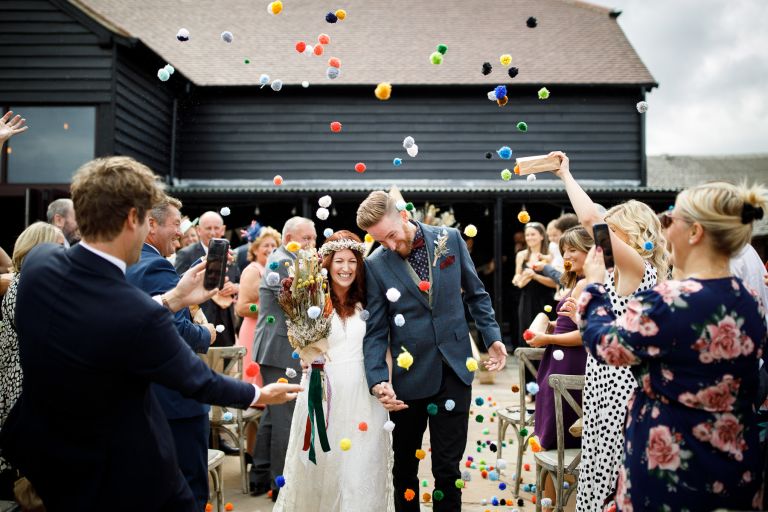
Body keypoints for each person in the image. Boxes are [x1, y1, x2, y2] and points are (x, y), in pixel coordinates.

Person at [0, 156, 301, 510]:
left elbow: (99, 320)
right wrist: (259, 393)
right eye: (146, 220)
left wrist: (173, 299)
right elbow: (198, 380)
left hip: (43, 461)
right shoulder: (137, 315)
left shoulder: (39, 264)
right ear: (133, 219)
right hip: (121, 477)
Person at [578, 181, 767, 510]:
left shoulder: (671, 300)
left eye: (670, 219)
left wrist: (593, 288)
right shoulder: (749, 299)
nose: (663, 228)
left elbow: (605, 345)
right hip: (733, 462)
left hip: (672, 467)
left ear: (694, 232)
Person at [357, 190, 506, 512]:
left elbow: (477, 295)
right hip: (408, 382)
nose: (390, 246)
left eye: (393, 236)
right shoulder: (375, 265)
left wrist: (492, 336)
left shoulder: (450, 239)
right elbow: (376, 330)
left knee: (447, 469)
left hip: (455, 370)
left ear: (405, 216)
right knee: (405, 468)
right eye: (381, 241)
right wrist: (378, 379)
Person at [546, 151, 669, 512]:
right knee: (599, 466)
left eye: (610, 230)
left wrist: (565, 174)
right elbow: (613, 329)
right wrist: (584, 319)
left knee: (613, 470)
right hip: (603, 380)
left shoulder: (637, 264)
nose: (602, 239)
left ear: (628, 231)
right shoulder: (620, 275)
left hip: (619, 386)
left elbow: (588, 219)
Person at [275, 231, 395, 511]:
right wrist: (307, 357)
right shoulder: (310, 300)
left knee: (360, 470)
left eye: (352, 261)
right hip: (323, 395)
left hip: (364, 396)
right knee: (322, 470)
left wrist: (386, 385)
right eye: (339, 260)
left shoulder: (369, 300)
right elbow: (302, 344)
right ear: (327, 263)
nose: (346, 268)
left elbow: (382, 348)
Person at [126, 195, 218, 511]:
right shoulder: (156, 266)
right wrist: (206, 333)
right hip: (174, 402)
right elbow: (174, 333)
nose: (180, 232)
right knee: (189, 492)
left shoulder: (129, 262)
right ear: (151, 225)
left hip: (146, 400)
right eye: (176, 224)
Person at [250, 217, 316, 499]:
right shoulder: (283, 261)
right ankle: (281, 487)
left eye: (313, 238)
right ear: (289, 236)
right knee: (286, 419)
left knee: (272, 417)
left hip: (275, 347)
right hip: (279, 348)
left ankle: (260, 476)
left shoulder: (289, 258)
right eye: (306, 239)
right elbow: (296, 303)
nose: (312, 244)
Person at [526, 226, 591, 509]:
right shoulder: (578, 281)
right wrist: (549, 322)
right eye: (564, 250)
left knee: (556, 435)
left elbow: (586, 333)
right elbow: (570, 323)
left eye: (573, 249)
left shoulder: (588, 284)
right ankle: (550, 500)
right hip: (556, 361)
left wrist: (547, 337)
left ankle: (555, 503)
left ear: (592, 252)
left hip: (570, 366)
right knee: (550, 433)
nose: (566, 255)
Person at [0, 222, 64, 499]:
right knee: (30, 483)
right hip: (22, 393)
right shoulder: (24, 285)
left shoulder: (28, 284)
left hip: (29, 390)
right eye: (60, 248)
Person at [235, 226, 280, 455]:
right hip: (254, 333)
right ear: (255, 249)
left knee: (268, 400)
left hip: (269, 332)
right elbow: (242, 307)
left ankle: (262, 452)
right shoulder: (253, 270)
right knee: (257, 396)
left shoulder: (274, 269)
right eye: (266, 246)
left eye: (274, 246)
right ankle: (252, 453)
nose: (271, 249)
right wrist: (268, 310)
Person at [175, 211, 240, 347]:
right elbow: (176, 285)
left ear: (223, 229)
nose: (212, 232)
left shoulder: (230, 254)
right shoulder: (186, 254)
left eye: (216, 228)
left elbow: (238, 281)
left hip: (226, 322)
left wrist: (234, 287)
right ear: (199, 230)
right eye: (208, 228)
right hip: (198, 323)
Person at [512, 222, 558, 344]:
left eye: (533, 234)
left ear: (542, 236)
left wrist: (535, 276)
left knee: (544, 331)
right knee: (526, 331)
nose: (529, 238)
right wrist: (518, 280)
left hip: (546, 300)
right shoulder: (521, 255)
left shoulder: (550, 255)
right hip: (526, 299)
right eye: (527, 235)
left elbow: (556, 282)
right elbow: (517, 275)